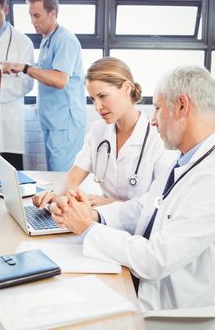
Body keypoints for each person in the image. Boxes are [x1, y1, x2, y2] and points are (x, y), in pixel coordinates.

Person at [50, 65, 215, 312]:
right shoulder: (187, 159)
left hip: (169, 311)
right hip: (140, 283)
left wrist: (87, 228)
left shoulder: (209, 177)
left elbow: (155, 259)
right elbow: (144, 207)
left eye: (158, 108)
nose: (154, 120)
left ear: (182, 106)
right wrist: (94, 215)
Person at [33, 57, 177, 209]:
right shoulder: (98, 131)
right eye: (92, 99)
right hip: (101, 219)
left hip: (140, 227)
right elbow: (73, 176)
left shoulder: (158, 139)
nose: (97, 107)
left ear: (127, 88)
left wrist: (111, 204)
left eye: (102, 96)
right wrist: (53, 194)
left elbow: (162, 202)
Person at [2, 0, 86, 171]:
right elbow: (46, 77)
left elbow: (60, 80)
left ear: (52, 13)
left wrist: (26, 68)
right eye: (31, 15)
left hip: (65, 125)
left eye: (37, 15)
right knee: (55, 177)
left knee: (62, 180)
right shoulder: (48, 40)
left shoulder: (65, 40)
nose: (33, 21)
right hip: (53, 122)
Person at [0, 0, 34, 169]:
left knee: (9, 170)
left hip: (6, 112)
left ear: (6, 9)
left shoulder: (22, 42)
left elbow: (27, 82)